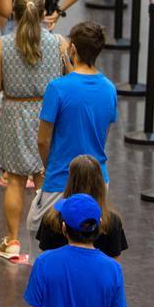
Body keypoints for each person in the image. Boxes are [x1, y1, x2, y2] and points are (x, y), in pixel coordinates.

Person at [0, 0, 66, 262]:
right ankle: (50, 238)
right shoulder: (58, 43)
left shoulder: (3, 44)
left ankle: (12, 241)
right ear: (45, 14)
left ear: (16, 15)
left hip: (14, 114)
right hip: (48, 114)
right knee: (47, 178)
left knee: (16, 181)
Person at [27, 21, 118, 238]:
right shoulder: (109, 89)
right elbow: (102, 135)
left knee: (39, 234)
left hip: (61, 179)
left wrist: (49, 166)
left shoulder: (57, 88)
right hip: (97, 180)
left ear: (73, 49)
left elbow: (43, 140)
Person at [37, 155, 129, 258]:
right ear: (100, 182)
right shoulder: (111, 221)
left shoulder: (51, 218)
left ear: (69, 181)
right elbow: (113, 264)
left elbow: (45, 258)